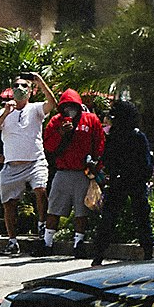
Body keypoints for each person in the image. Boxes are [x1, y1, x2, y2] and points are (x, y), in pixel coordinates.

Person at [0, 73, 55, 254]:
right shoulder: (4, 111)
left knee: (40, 190)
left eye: (24, 86)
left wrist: (39, 80)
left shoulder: (35, 109)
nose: (20, 89)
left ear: (30, 91)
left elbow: (52, 103)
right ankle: (12, 241)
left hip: (35, 162)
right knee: (9, 204)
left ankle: (42, 223)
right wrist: (5, 113)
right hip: (12, 165)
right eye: (16, 85)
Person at [42, 89, 106, 253]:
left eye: (73, 105)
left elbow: (100, 144)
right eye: (66, 106)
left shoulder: (91, 120)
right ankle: (47, 242)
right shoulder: (56, 121)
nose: (69, 109)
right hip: (62, 171)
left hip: (83, 172)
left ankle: (79, 243)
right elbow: (48, 146)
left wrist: (95, 166)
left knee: (81, 210)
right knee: (54, 208)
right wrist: (61, 134)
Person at [95, 98, 154, 265]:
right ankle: (148, 251)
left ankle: (99, 253)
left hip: (119, 180)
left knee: (109, 217)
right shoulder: (137, 136)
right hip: (135, 181)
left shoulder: (114, 136)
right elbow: (146, 162)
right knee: (141, 217)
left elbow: (107, 158)